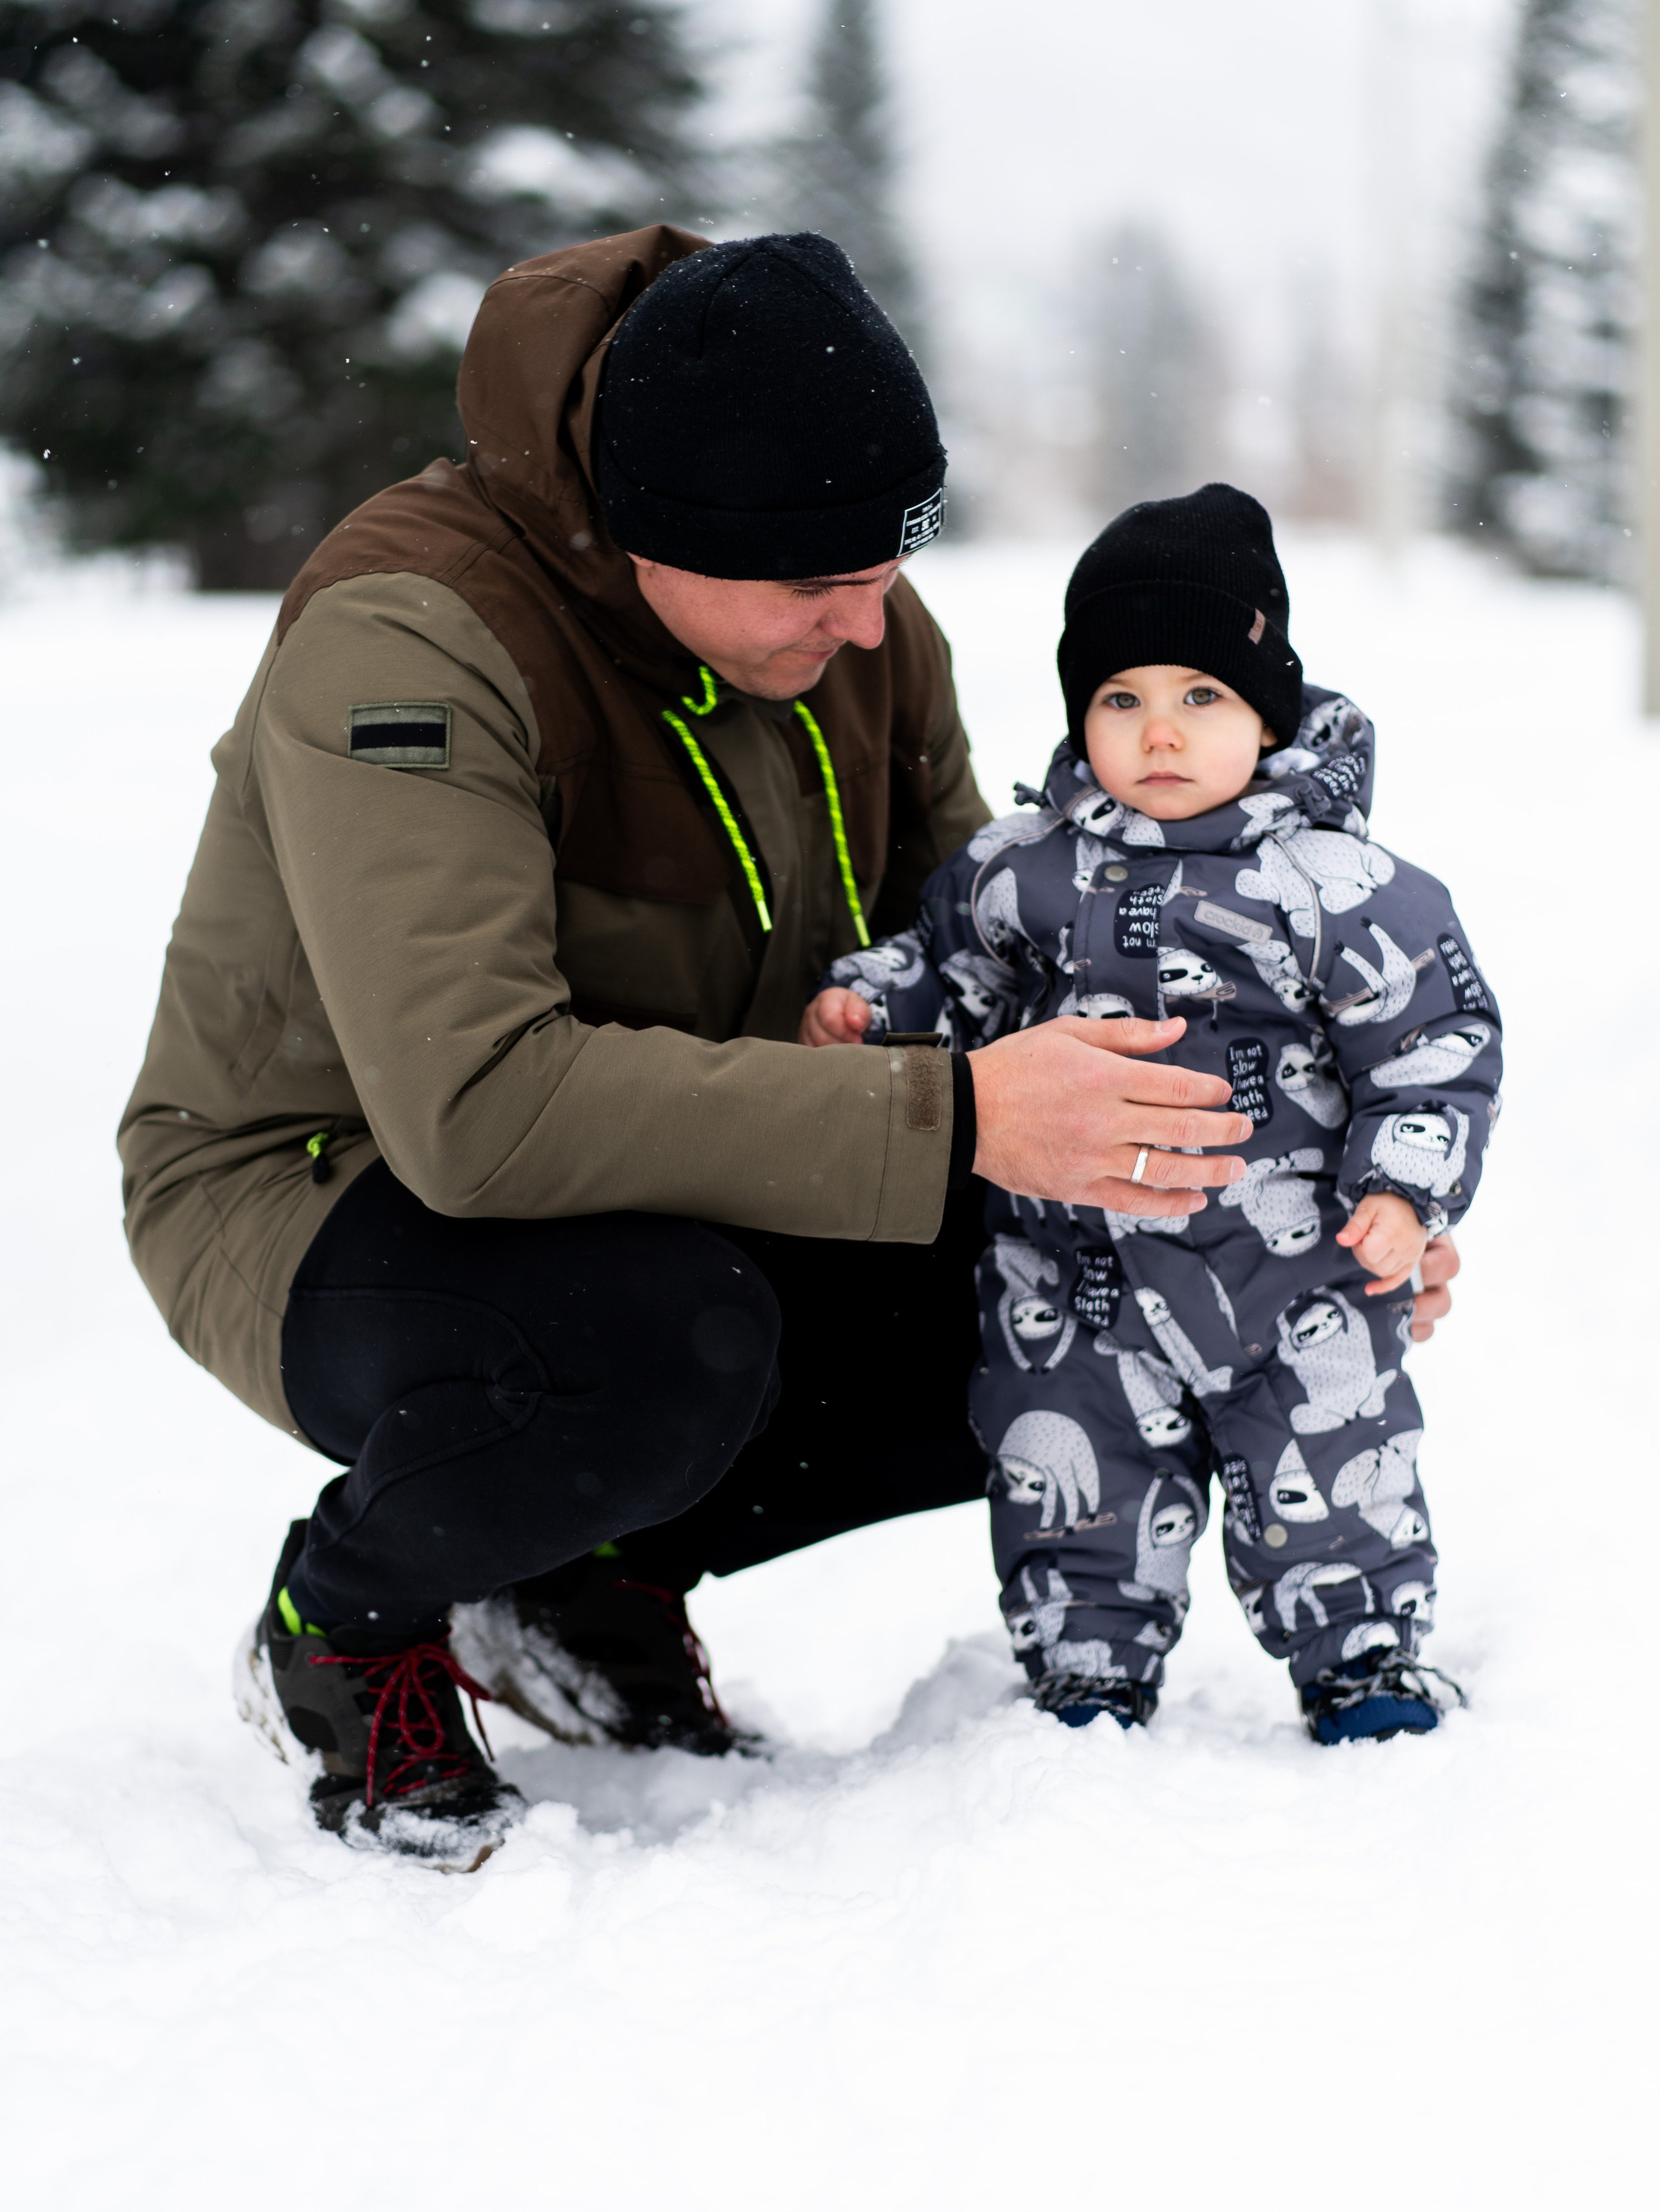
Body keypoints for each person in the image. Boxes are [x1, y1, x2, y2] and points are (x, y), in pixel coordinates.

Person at [121, 235, 1458, 1868]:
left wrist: (1296, 1216)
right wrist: (954, 1112)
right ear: (657, 536)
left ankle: (587, 1580)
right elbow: (471, 1109)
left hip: (686, 1165)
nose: (866, 619)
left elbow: (1023, 977)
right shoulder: (412, 643)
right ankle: (346, 1627)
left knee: (1087, 1290)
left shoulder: (857, 635)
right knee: (648, 1340)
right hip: (330, 1182)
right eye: (815, 583)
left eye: (886, 565)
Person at [801, 483, 1497, 1743]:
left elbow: (1429, 1047)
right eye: (1119, 699)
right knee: (1071, 1480)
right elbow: (950, 970)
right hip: (1071, 1276)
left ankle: (1360, 1657)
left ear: (1265, 711)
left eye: (1200, 698)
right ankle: (1084, 1668)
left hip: (1294, 1274)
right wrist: (871, 1005)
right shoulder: (1023, 868)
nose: (1158, 733)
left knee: (1331, 1473)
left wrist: (1402, 1189)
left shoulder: (1340, 889)